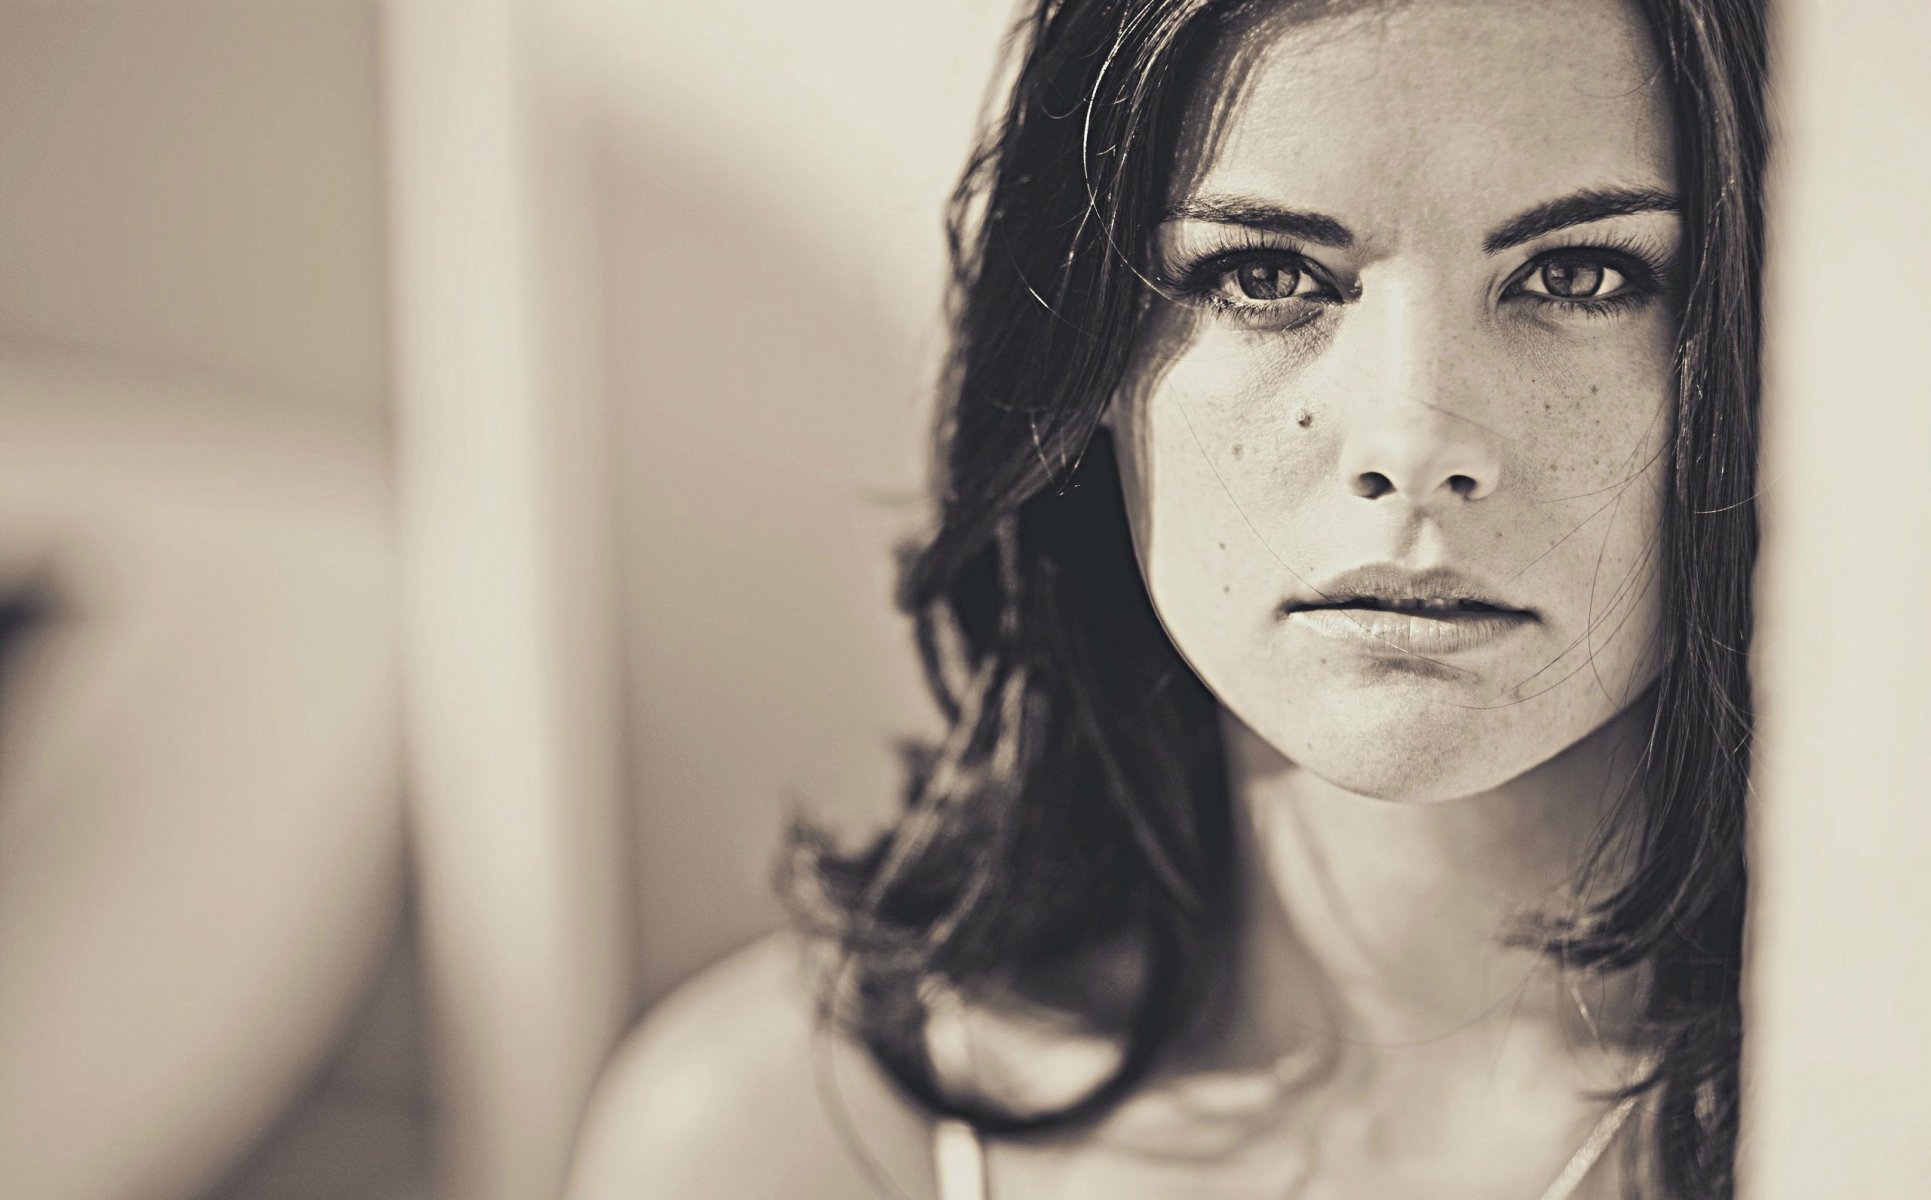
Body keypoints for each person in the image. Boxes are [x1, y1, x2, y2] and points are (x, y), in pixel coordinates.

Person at [569, 0, 1765, 1196]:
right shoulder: (777, 1137)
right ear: (1086, 360)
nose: (1411, 441)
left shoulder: (1845, 1117)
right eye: (1263, 274)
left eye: (1577, 275)